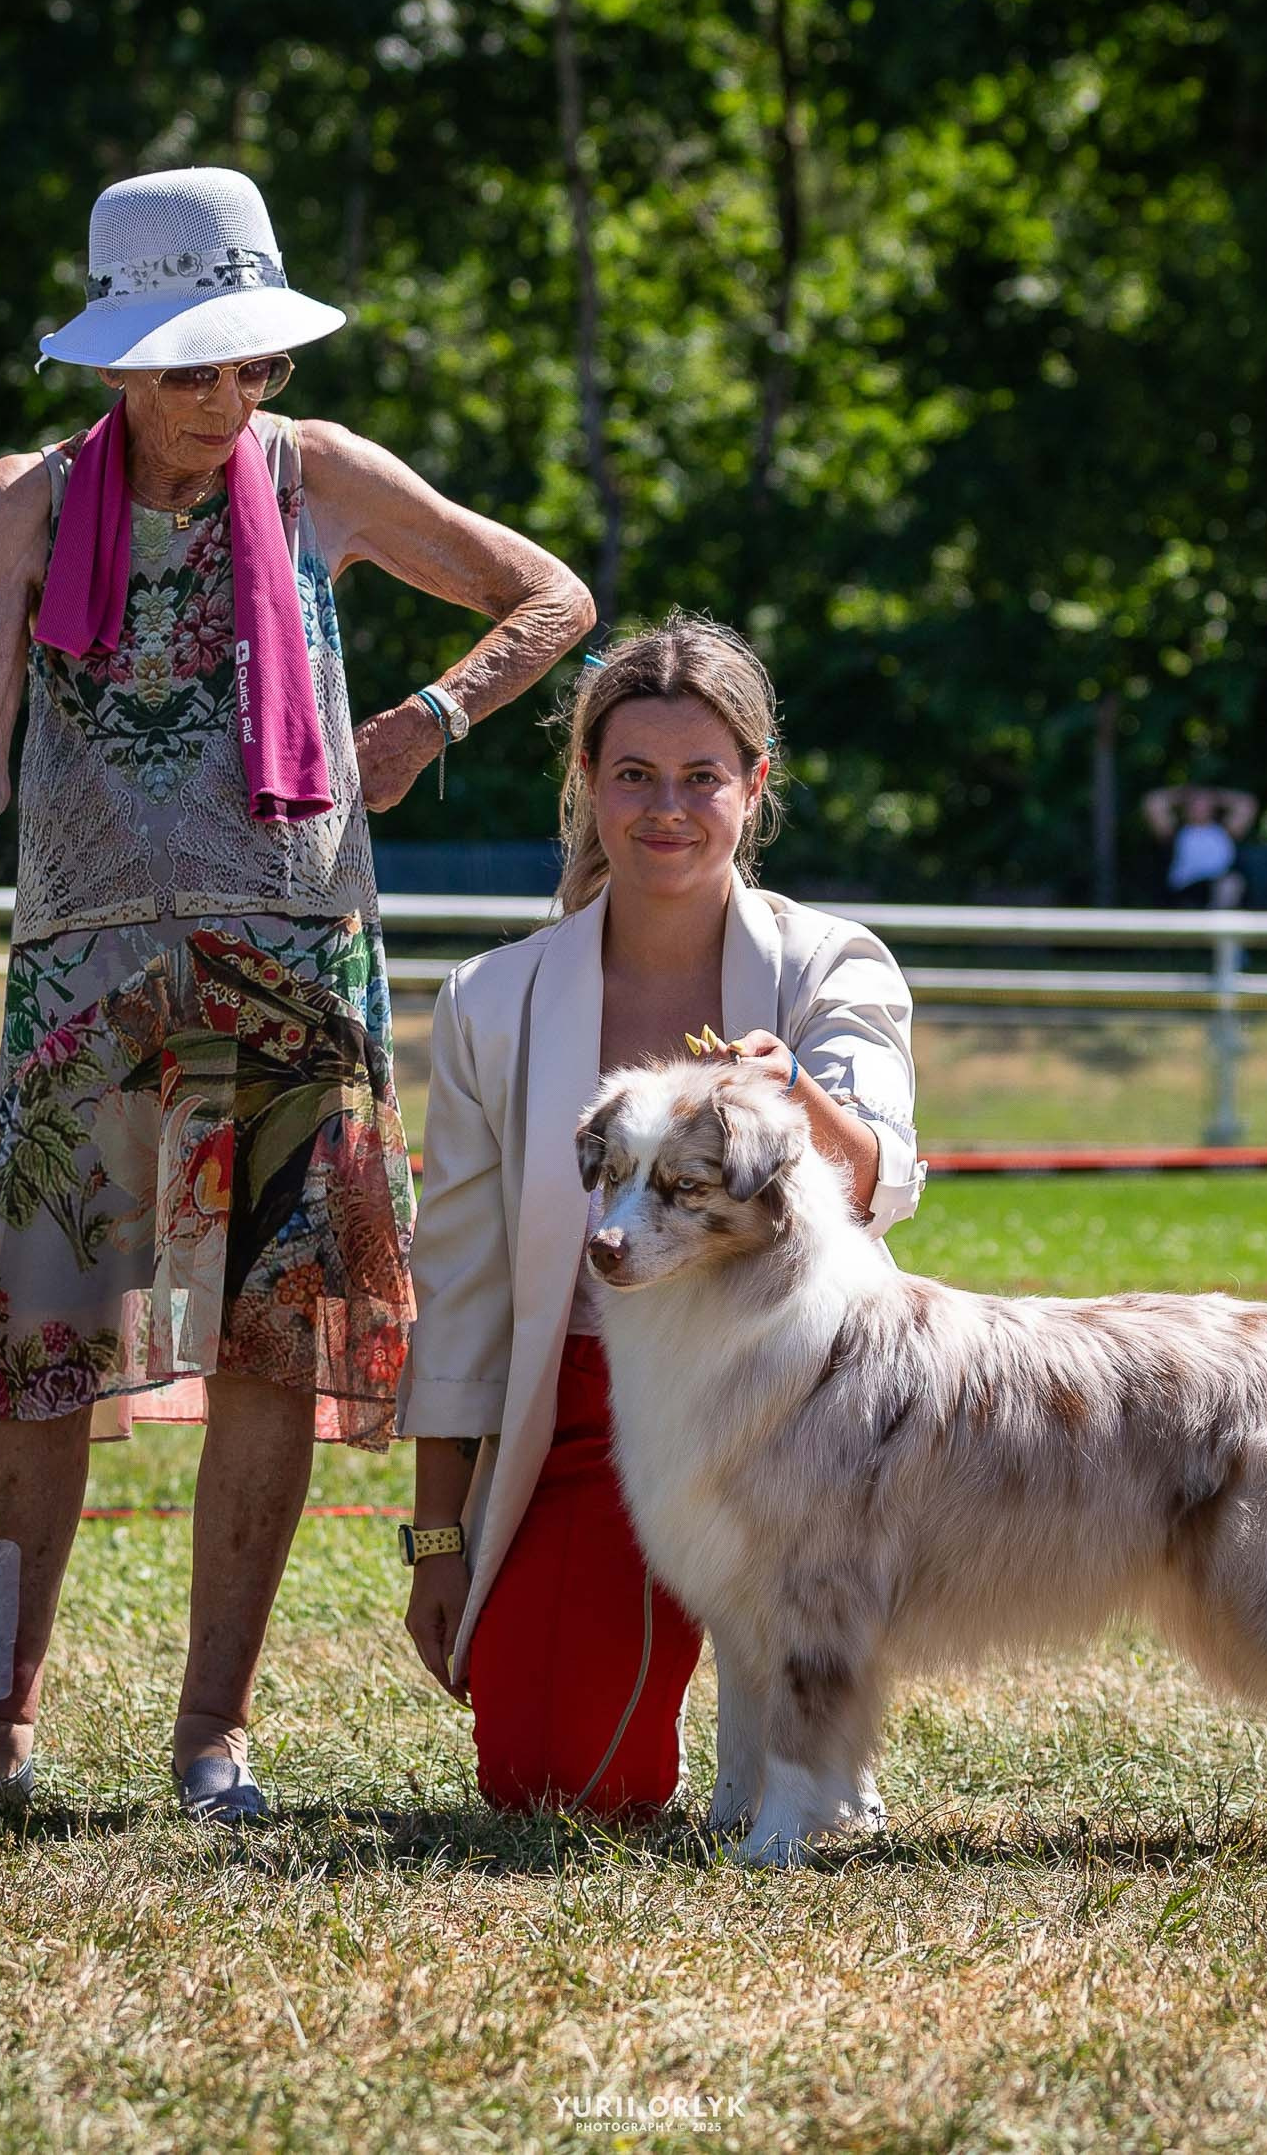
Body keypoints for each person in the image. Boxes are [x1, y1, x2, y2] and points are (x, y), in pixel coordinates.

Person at [0, 168, 593, 1820]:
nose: (229, 396)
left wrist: (429, 719)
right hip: (86, 979)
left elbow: (552, 596)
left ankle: (216, 1740)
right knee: (38, 1355)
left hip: (297, 969)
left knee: (278, 1347)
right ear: (116, 363)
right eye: (193, 366)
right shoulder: (21, 503)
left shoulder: (319, 472)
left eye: (250, 362)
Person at [393, 614, 927, 1816]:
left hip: (788, 1416)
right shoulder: (491, 1000)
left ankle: (802, 1745)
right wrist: (440, 1538)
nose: (665, 809)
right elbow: (465, 1290)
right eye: (632, 775)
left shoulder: (833, 963)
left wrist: (788, 1090)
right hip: (588, 1415)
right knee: (551, 1784)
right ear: (585, 782)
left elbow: (879, 1175)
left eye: (701, 778)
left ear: (755, 785)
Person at [1141, 782, 1258, 906]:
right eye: (1194, 803)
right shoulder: (1176, 833)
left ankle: (1218, 920)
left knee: (1231, 883)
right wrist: (1184, 794)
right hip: (1186, 888)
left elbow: (1247, 804)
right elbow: (1152, 802)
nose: (1199, 806)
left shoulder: (1224, 832)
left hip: (1219, 885)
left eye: (1203, 803)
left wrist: (1215, 796)